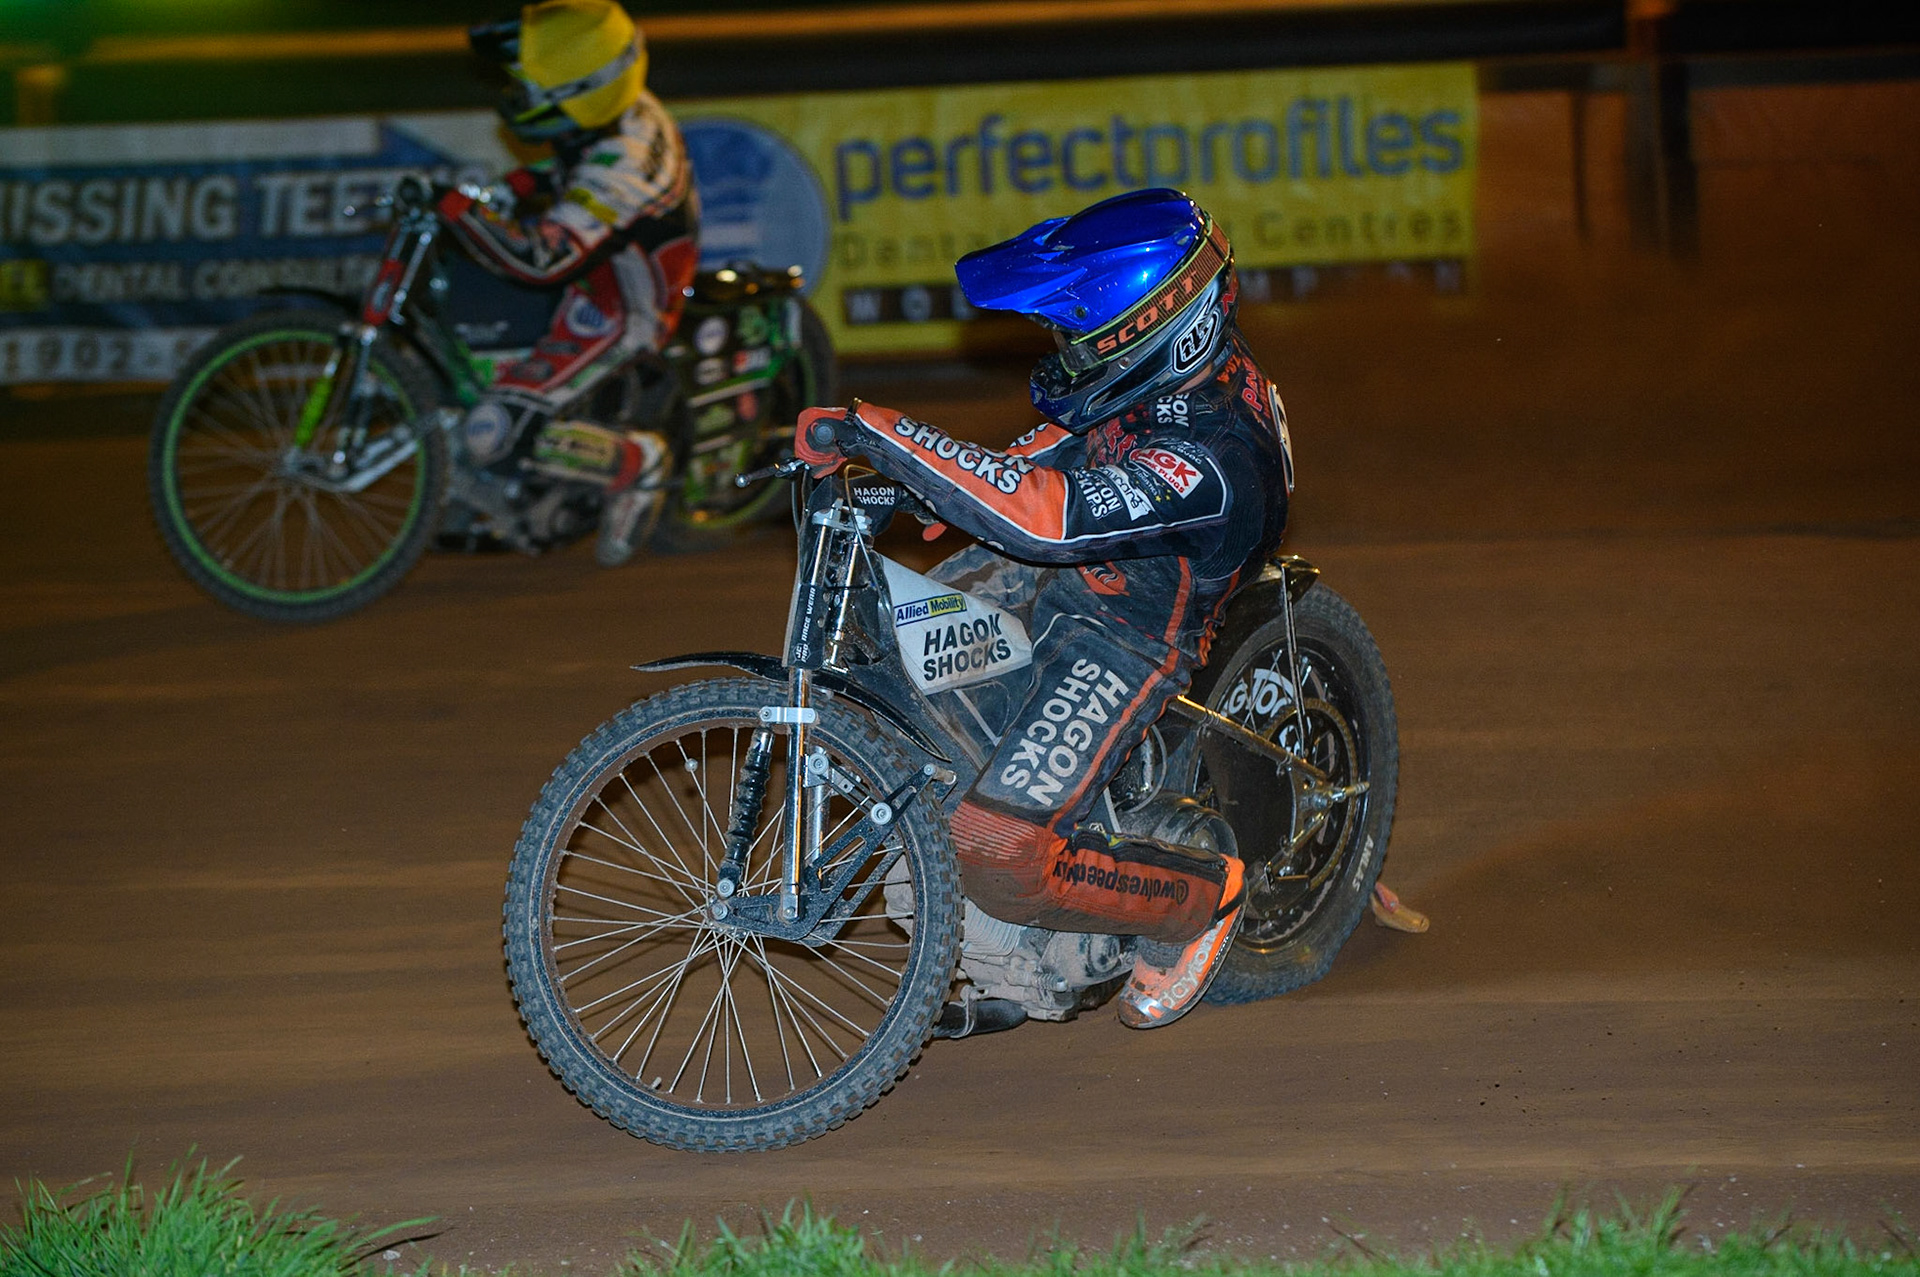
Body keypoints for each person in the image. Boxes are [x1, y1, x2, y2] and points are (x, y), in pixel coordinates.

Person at [796, 188, 1294, 1028]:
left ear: (1161, 329)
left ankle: (1200, 899)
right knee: (888, 672)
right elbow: (1068, 444)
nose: (1072, 354)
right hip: (1050, 576)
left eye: (1087, 339)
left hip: (1126, 633)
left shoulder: (1214, 457)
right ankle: (999, 935)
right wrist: (936, 485)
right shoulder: (1165, 378)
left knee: (999, 852)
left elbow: (1047, 516)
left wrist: (887, 433)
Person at [443, 0, 700, 564]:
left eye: (530, 86)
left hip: (619, 309)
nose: (516, 94)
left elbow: (543, 261)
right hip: (598, 272)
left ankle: (638, 462)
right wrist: (516, 186)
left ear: (582, 91)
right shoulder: (616, 103)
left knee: (490, 433)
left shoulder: (624, 164)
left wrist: (463, 213)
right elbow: (570, 166)